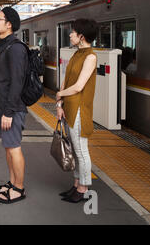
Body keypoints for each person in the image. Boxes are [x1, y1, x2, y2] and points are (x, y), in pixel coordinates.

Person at [56, 18, 98, 203]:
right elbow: (67, 80)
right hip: (69, 107)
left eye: (73, 32)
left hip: (80, 109)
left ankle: (83, 188)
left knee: (81, 151)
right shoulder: (76, 54)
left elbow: (79, 86)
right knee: (74, 149)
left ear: (81, 36)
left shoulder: (90, 57)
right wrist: (60, 103)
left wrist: (59, 93)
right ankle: (75, 185)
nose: (70, 34)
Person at [0, 7, 28, 204]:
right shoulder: (5, 46)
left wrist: (9, 112)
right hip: (5, 107)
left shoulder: (16, 48)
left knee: (14, 148)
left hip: (12, 109)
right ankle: (12, 183)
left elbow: (17, 82)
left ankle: (19, 189)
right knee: (8, 147)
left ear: (9, 24)